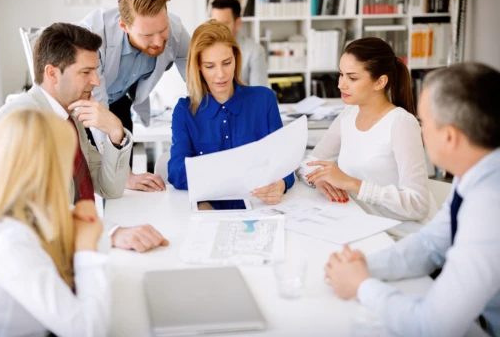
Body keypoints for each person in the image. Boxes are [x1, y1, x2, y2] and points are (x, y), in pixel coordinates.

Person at [324, 63, 500, 337]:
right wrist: (364, 266)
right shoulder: (475, 174)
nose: (420, 130)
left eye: (425, 123)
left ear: (450, 137)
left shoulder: (490, 206)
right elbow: (432, 243)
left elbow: (432, 326)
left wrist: (362, 285)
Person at [0, 22, 168, 253]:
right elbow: (31, 210)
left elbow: (109, 188)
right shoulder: (20, 121)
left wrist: (116, 132)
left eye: (96, 71)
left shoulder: (72, 115)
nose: (96, 82)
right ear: (52, 73)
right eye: (86, 72)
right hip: (22, 259)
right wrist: (112, 232)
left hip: (66, 249)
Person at [0, 109, 111, 336]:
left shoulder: (25, 215)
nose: (71, 171)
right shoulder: (9, 245)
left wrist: (91, 232)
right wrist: (87, 247)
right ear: (46, 169)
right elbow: (90, 331)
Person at [296, 37, 437, 237]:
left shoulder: (401, 123)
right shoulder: (348, 115)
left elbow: (418, 204)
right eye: (341, 74)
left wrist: (352, 183)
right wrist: (318, 180)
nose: (341, 85)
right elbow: (307, 163)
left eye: (352, 78)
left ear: (380, 82)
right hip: (361, 225)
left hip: (400, 234)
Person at [80, 0, 191, 193]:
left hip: (120, 102)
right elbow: (96, 105)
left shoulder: (174, 29)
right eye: (147, 35)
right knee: (98, 182)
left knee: (121, 188)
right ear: (124, 26)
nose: (159, 41)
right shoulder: (92, 34)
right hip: (85, 106)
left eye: (163, 29)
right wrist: (126, 175)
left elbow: (196, 73)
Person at [167, 20, 294, 207]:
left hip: (260, 210)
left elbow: (284, 162)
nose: (221, 74)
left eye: (227, 63)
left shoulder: (263, 100)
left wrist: (281, 184)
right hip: (210, 214)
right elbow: (176, 171)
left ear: (236, 58)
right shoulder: (184, 111)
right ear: (199, 67)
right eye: (210, 66)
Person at [210, 0, 268, 88]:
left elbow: (259, 95)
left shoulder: (255, 52)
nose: (218, 28)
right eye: (214, 23)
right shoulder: (205, 50)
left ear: (238, 23)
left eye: (224, 23)